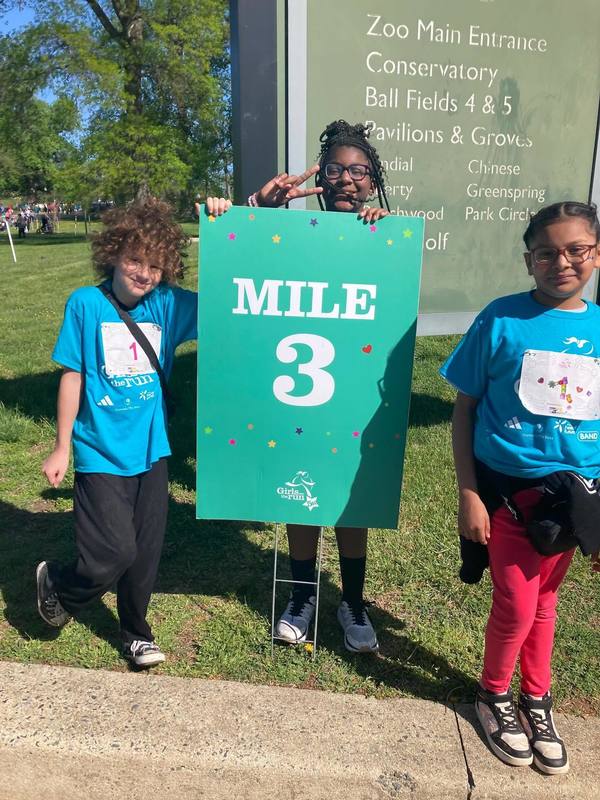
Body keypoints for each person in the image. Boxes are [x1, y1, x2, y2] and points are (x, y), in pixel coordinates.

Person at [208, 120, 390, 653]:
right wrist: (251, 207)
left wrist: (381, 228)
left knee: (352, 503)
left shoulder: (382, 234)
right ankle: (303, 596)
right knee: (301, 491)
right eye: (334, 169)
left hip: (354, 394)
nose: (345, 180)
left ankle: (352, 601)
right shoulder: (286, 236)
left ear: (373, 182)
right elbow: (236, 252)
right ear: (321, 175)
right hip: (297, 397)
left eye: (359, 172)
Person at [440, 201, 600, 774]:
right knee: (515, 600)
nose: (562, 261)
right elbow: (465, 410)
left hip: (575, 500)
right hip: (507, 494)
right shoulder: (501, 319)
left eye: (576, 249)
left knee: (547, 601)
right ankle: (494, 693)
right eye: (546, 252)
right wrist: (469, 492)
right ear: (528, 260)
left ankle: (537, 698)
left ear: (596, 253)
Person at [36, 197, 229, 668]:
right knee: (113, 552)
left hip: (152, 451)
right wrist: (62, 446)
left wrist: (236, 218)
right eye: (135, 260)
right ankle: (60, 584)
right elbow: (73, 375)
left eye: (156, 265)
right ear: (113, 254)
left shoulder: (166, 304)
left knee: (143, 554)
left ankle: (136, 633)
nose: (144, 273)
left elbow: (229, 301)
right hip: (100, 450)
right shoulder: (85, 304)